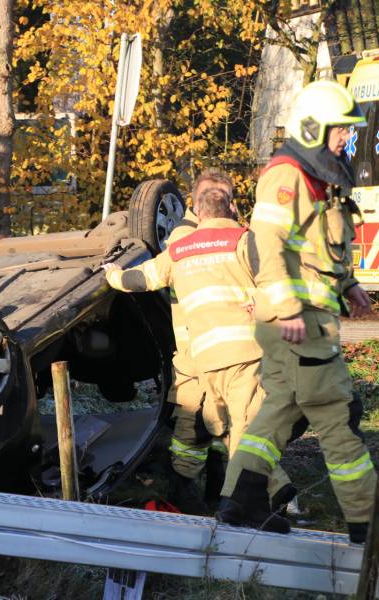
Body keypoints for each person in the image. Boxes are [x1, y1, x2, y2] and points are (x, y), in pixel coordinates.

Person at [216, 80, 379, 542]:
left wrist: (349, 284)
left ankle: (239, 501)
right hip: (299, 321)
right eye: (340, 131)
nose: (347, 140)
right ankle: (367, 521)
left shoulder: (314, 178)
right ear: (314, 128)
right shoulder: (287, 175)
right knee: (337, 412)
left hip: (303, 319)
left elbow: (315, 248)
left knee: (278, 411)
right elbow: (266, 242)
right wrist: (288, 306)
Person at [104, 186, 294, 515]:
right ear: (231, 207)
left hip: (201, 358)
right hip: (244, 352)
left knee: (216, 427)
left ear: (197, 210)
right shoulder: (244, 240)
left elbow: (141, 279)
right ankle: (269, 492)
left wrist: (112, 275)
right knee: (241, 426)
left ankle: (233, 495)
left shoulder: (180, 248)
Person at [148, 169, 233, 514]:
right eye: (211, 194)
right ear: (196, 202)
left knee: (225, 426)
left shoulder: (238, 235)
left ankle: (217, 490)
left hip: (229, 351)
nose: (218, 201)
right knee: (191, 424)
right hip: (194, 351)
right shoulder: (183, 235)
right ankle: (183, 493)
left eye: (223, 194)